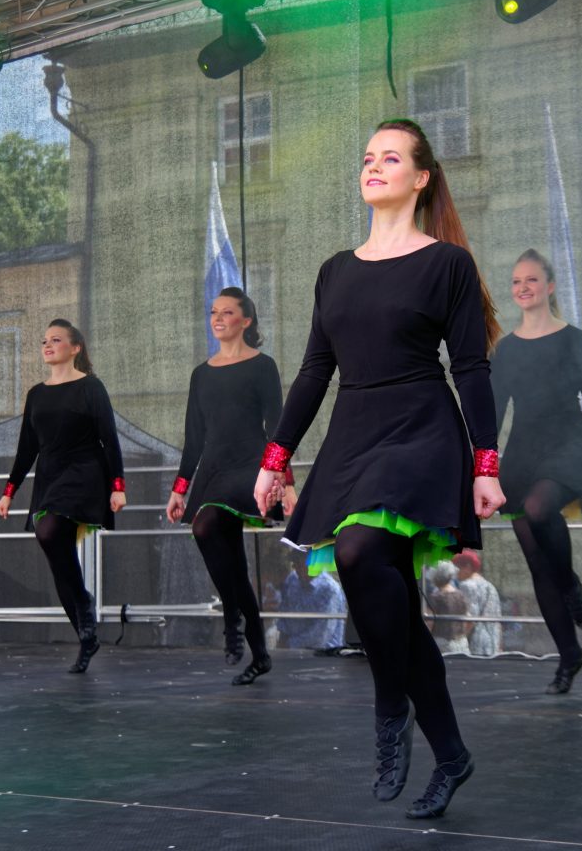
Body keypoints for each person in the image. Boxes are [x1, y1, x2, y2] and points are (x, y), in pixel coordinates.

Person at [255, 118, 505, 820]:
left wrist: (485, 464)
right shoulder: (335, 270)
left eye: (389, 158)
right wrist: (276, 458)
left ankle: (389, 704)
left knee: (359, 553)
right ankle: (450, 754)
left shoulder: (447, 264)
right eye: (367, 157)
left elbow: (471, 368)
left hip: (420, 429)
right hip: (353, 433)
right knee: (385, 602)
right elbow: (314, 370)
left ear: (420, 178)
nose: (373, 166)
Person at [491, 249, 582, 694]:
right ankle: (569, 656)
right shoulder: (506, 350)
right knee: (536, 561)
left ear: (549, 286)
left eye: (531, 279)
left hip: (571, 443)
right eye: (516, 281)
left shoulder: (577, 341)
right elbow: (493, 414)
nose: (523, 287)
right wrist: (482, 469)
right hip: (525, 450)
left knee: (538, 508)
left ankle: (570, 585)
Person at [166, 287, 296, 686]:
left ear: (246, 320)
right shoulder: (201, 374)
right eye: (213, 312)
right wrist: (180, 488)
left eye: (227, 312)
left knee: (205, 526)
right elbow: (193, 437)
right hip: (214, 469)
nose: (218, 318)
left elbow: (277, 426)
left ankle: (231, 617)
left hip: (251, 467)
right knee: (233, 564)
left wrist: (286, 482)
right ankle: (258, 651)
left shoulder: (262, 366)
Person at [0, 319, 125, 673]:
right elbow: (27, 448)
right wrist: (9, 492)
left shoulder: (91, 387)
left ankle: (83, 608)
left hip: (84, 472)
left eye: (56, 340)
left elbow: (109, 438)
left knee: (50, 531)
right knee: (56, 551)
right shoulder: (36, 394)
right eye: (44, 341)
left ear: (75, 347)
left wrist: (118, 486)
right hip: (49, 476)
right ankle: (86, 633)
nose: (48, 345)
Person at [276, 550, 347, 651]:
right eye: (294, 563)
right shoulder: (292, 580)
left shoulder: (329, 590)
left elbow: (320, 636)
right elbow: (284, 615)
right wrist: (281, 644)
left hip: (324, 654)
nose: (296, 568)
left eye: (299, 563)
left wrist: (289, 645)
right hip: (291, 652)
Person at [452, 549, 502, 656]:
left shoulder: (467, 586)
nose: (455, 573)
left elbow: (470, 618)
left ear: (468, 567)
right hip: (492, 642)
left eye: (457, 568)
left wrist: (458, 641)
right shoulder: (490, 586)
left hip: (476, 643)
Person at [427, 561, 471, 656]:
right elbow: (470, 620)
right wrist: (463, 634)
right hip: (461, 643)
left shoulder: (435, 598)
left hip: (441, 644)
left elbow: (430, 623)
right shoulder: (461, 595)